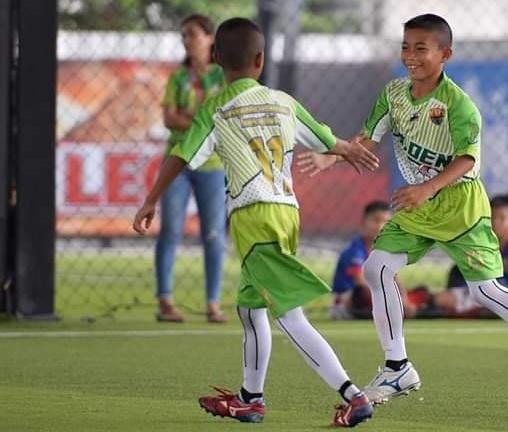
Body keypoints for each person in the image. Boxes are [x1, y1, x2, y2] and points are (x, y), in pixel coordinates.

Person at [299, 14, 508, 414]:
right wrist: (332, 156)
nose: (410, 55)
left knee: (483, 291)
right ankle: (397, 366)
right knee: (377, 268)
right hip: (418, 208)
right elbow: (366, 138)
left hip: (459, 209)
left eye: (421, 48)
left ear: (445, 54)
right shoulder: (393, 95)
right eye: (405, 46)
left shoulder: (459, 106)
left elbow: (468, 159)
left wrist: (425, 187)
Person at [133, 18, 379, 427]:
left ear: (215, 59)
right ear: (261, 60)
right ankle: (250, 398)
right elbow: (324, 138)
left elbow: (180, 153)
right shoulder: (283, 101)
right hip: (285, 211)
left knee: (288, 315)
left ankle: (353, 396)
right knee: (250, 308)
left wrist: (151, 199)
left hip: (253, 216)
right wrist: (350, 150)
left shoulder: (216, 108)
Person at [156, 14, 227, 323]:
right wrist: (202, 121)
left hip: (213, 164)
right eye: (184, 35)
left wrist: (190, 117)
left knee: (213, 234)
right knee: (170, 230)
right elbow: (169, 119)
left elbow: (224, 119)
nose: (187, 40)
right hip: (178, 161)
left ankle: (213, 302)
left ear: (210, 38)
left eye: (193, 35)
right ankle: (165, 301)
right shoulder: (178, 77)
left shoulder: (224, 77)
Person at [331, 201, 417, 320]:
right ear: (363, 223)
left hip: (379, 295)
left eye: (385, 222)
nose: (380, 226)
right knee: (362, 293)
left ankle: (396, 308)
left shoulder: (386, 249)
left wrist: (404, 299)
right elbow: (359, 281)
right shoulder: (355, 249)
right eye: (375, 220)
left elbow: (394, 277)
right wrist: (390, 299)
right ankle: (391, 309)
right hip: (350, 298)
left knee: (421, 293)